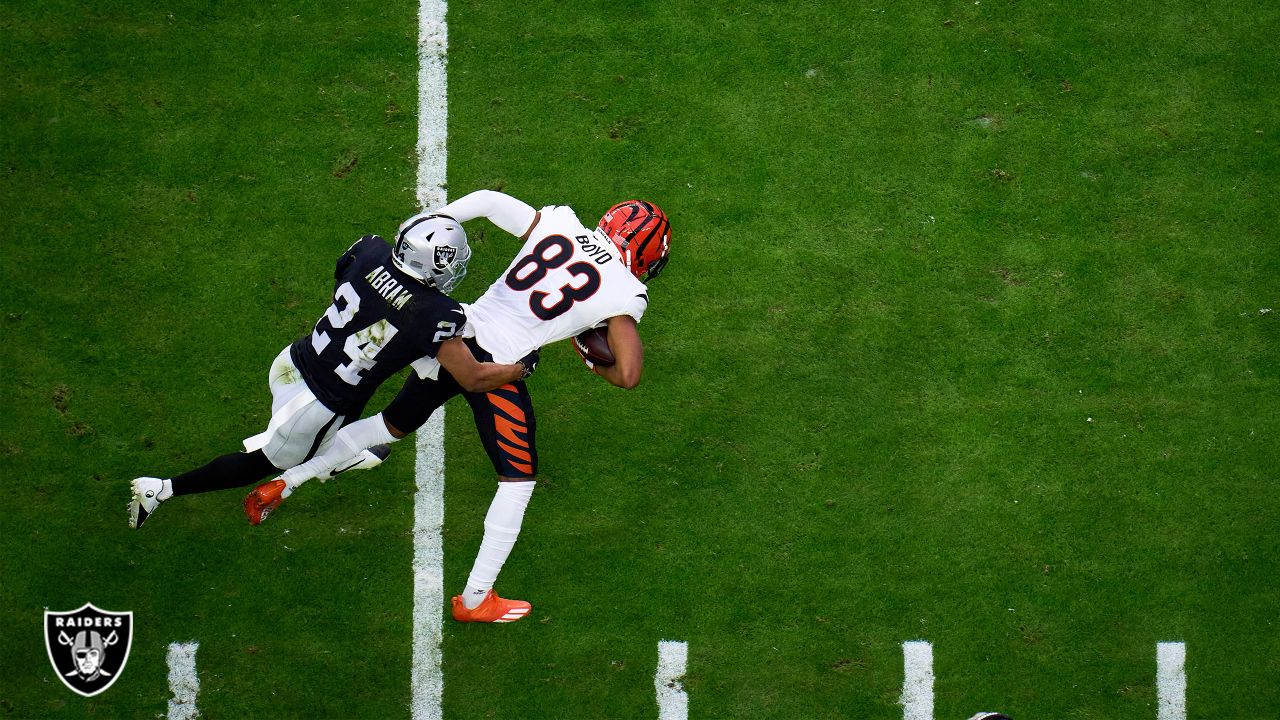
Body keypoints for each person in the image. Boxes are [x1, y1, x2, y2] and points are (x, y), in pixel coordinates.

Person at [245, 190, 672, 623]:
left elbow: (487, 200)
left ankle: (286, 482)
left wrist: (429, 221)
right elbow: (628, 374)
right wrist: (588, 356)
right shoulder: (626, 291)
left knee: (392, 424)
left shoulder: (561, 222)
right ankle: (475, 599)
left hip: (455, 333)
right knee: (517, 482)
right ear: (647, 252)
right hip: (496, 365)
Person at [127, 213, 538, 529]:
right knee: (264, 462)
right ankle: (160, 490)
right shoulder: (435, 312)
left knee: (327, 429)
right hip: (317, 405)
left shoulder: (371, 249)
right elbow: (472, 378)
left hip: (292, 361)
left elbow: (349, 290)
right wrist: (521, 368)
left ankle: (332, 455)